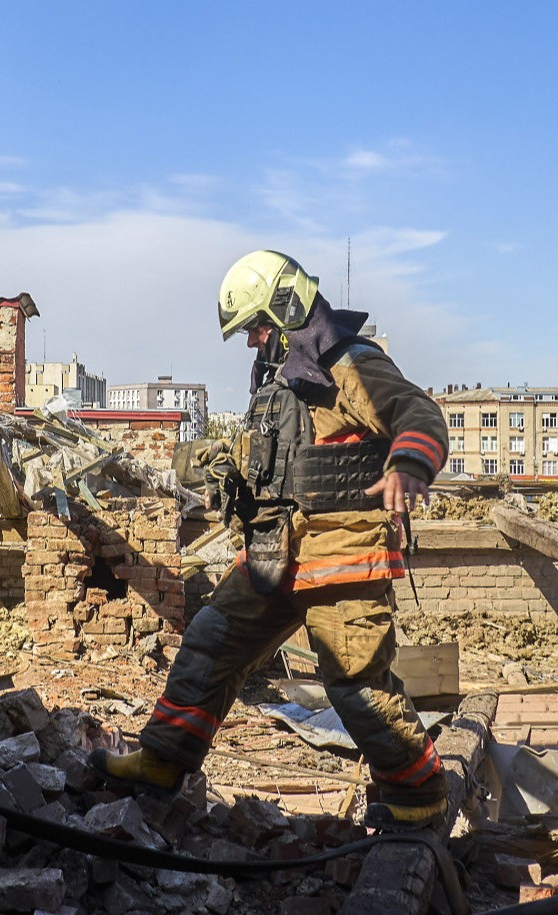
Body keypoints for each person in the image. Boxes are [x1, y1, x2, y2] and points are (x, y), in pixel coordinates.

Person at [92, 250, 452, 828]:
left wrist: (410, 463)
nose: (254, 339)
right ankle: (164, 760)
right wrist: (225, 467)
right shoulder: (284, 382)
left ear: (286, 308)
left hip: (342, 557)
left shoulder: (349, 364)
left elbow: (419, 413)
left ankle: (420, 797)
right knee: (210, 643)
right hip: (277, 551)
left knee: (357, 684)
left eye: (257, 325)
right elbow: (283, 462)